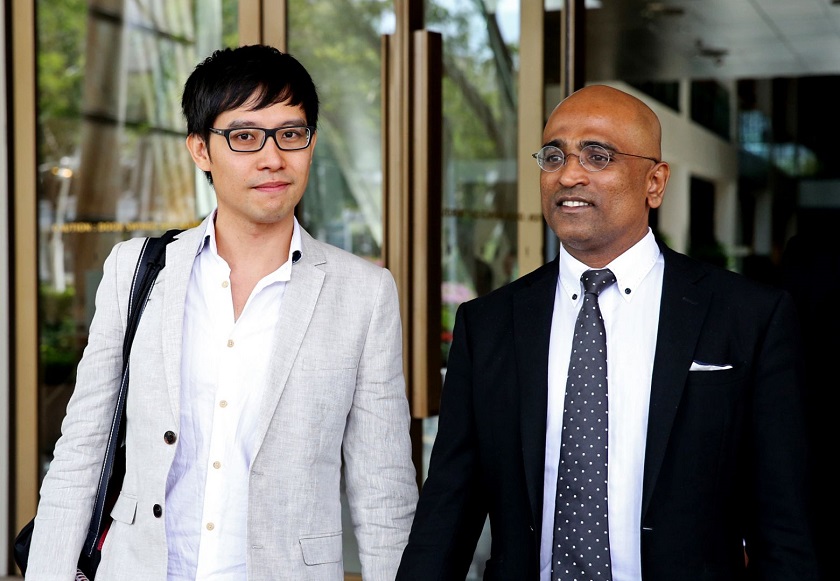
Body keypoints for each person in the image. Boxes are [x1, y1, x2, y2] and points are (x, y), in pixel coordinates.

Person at [26, 44, 417, 580]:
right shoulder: (137, 271)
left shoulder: (364, 293)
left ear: (311, 144)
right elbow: (81, 454)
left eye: (291, 133)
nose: (272, 157)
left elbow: (384, 491)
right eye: (244, 136)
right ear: (200, 150)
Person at [396, 85, 818, 580]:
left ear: (654, 183)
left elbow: (785, 524)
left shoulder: (748, 317)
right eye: (554, 156)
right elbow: (449, 507)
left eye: (599, 155)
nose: (569, 174)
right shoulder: (488, 323)